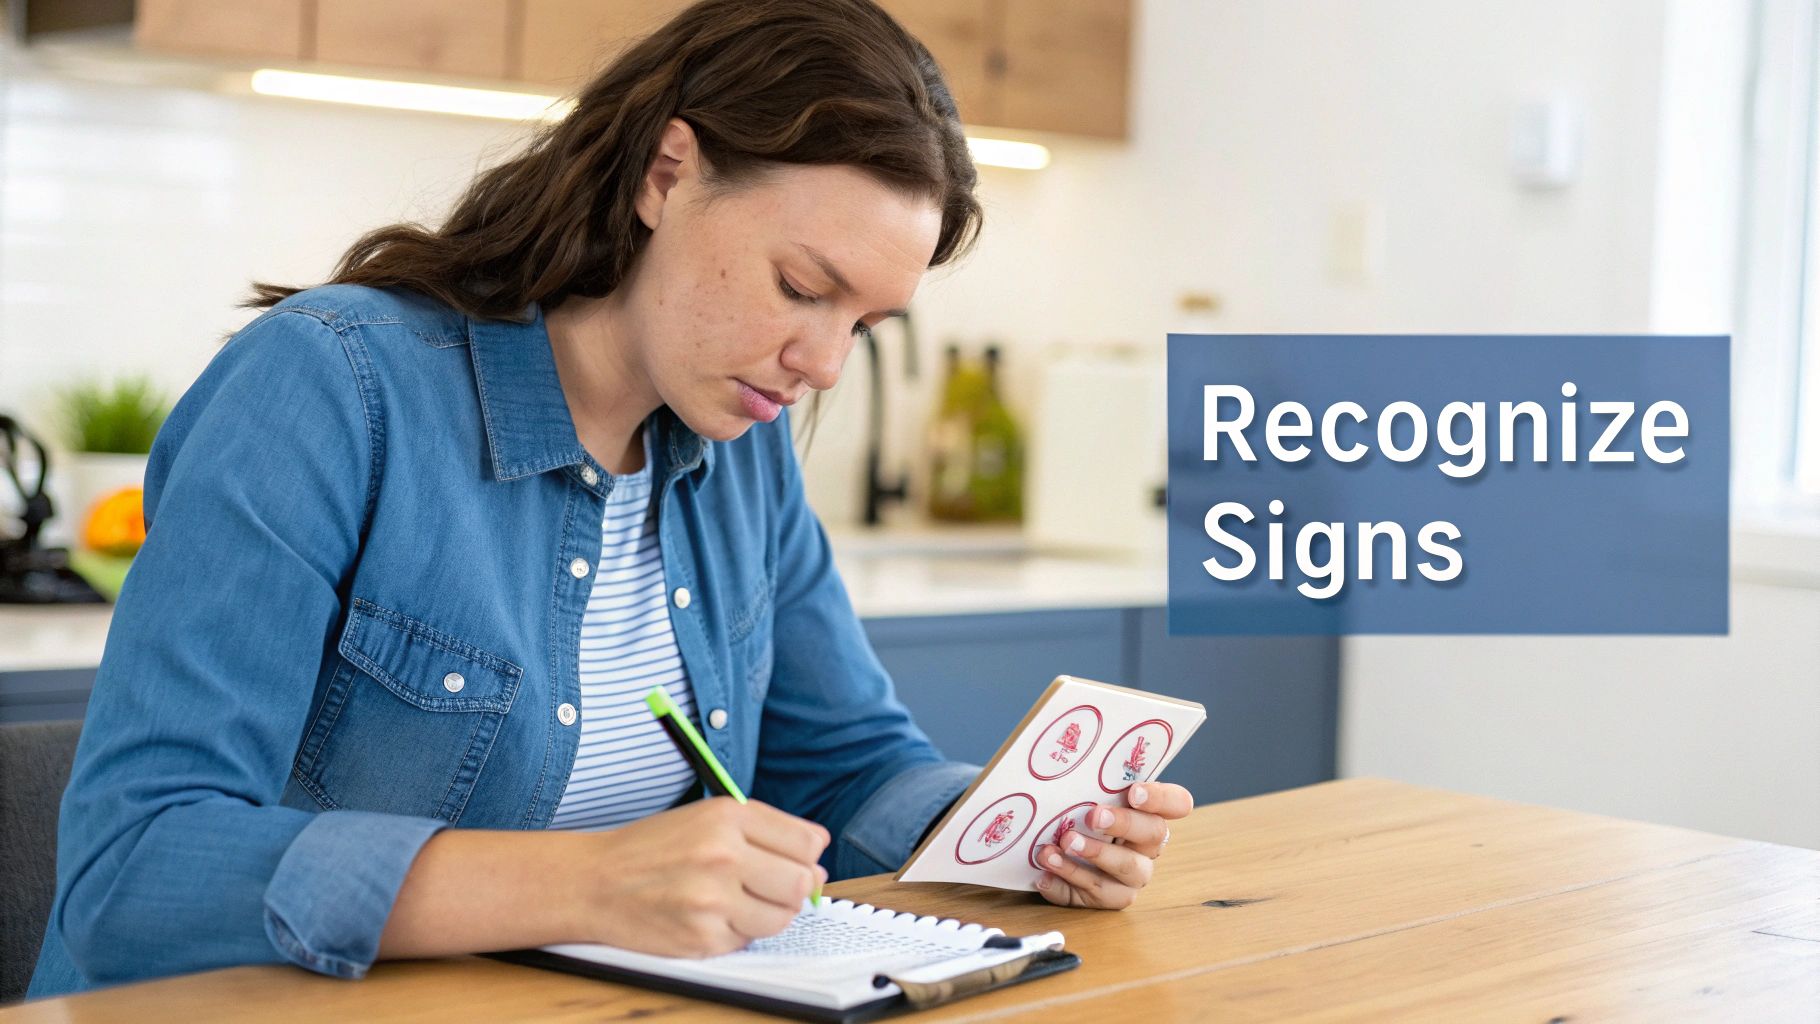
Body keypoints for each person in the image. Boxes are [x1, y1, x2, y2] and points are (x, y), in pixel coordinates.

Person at [28, 0, 1192, 998]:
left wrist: (1014, 830)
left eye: (864, 324)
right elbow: (135, 867)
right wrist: (586, 881)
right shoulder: (330, 387)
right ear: (665, 173)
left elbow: (841, 763)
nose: (824, 364)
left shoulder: (741, 448)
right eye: (801, 286)